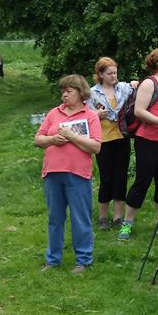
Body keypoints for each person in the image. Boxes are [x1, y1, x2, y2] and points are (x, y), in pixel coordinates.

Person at [34, 74, 103, 273]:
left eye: (69, 91)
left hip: (78, 174)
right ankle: (52, 260)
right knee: (55, 218)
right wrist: (52, 140)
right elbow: (38, 139)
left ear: (81, 93)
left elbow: (96, 147)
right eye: (63, 91)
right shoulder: (53, 113)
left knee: (80, 218)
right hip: (52, 173)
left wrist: (72, 136)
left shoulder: (90, 116)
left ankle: (83, 260)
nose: (64, 95)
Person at [120, 48, 158, 241]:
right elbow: (139, 111)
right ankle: (127, 223)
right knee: (143, 180)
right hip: (148, 140)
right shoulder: (149, 83)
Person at [88, 57, 133, 230]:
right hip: (103, 140)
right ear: (100, 74)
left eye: (115, 72)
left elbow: (138, 88)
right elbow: (84, 115)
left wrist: (136, 83)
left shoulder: (123, 88)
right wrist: (96, 115)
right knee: (107, 177)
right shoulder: (92, 93)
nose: (113, 76)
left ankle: (118, 216)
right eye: (109, 73)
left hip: (121, 137)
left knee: (121, 177)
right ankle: (102, 216)